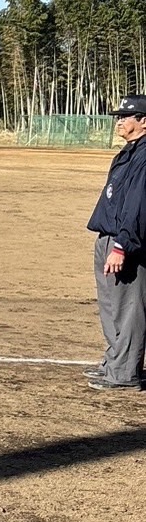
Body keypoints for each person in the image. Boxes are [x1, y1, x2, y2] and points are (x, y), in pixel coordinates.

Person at [85, 94, 146, 390]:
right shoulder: (129, 153)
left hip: (126, 244)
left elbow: (137, 206)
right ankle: (115, 362)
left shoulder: (145, 156)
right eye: (119, 116)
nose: (119, 121)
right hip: (109, 237)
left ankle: (125, 373)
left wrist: (122, 245)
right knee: (111, 307)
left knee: (129, 309)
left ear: (144, 121)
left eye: (126, 116)